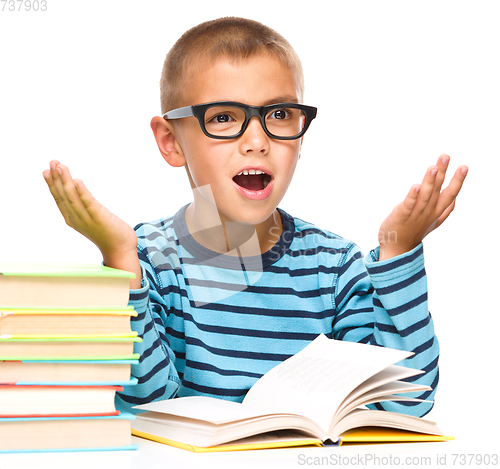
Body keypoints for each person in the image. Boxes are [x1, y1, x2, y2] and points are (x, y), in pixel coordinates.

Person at [43, 17, 468, 417]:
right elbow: (149, 409)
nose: (257, 140)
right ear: (170, 141)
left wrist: (399, 250)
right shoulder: (150, 262)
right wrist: (120, 260)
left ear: (302, 135)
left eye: (279, 114)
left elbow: (405, 404)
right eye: (224, 117)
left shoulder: (335, 267)